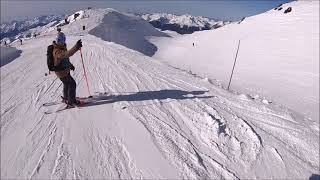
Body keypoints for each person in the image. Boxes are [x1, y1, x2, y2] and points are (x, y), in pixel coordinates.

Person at [53, 31, 82, 106]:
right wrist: (76, 47)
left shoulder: (61, 47)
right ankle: (71, 101)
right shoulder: (57, 51)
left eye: (64, 40)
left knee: (66, 84)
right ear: (57, 41)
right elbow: (66, 54)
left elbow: (65, 59)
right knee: (72, 84)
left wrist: (70, 65)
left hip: (64, 70)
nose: (62, 42)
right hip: (62, 72)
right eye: (60, 40)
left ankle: (66, 97)